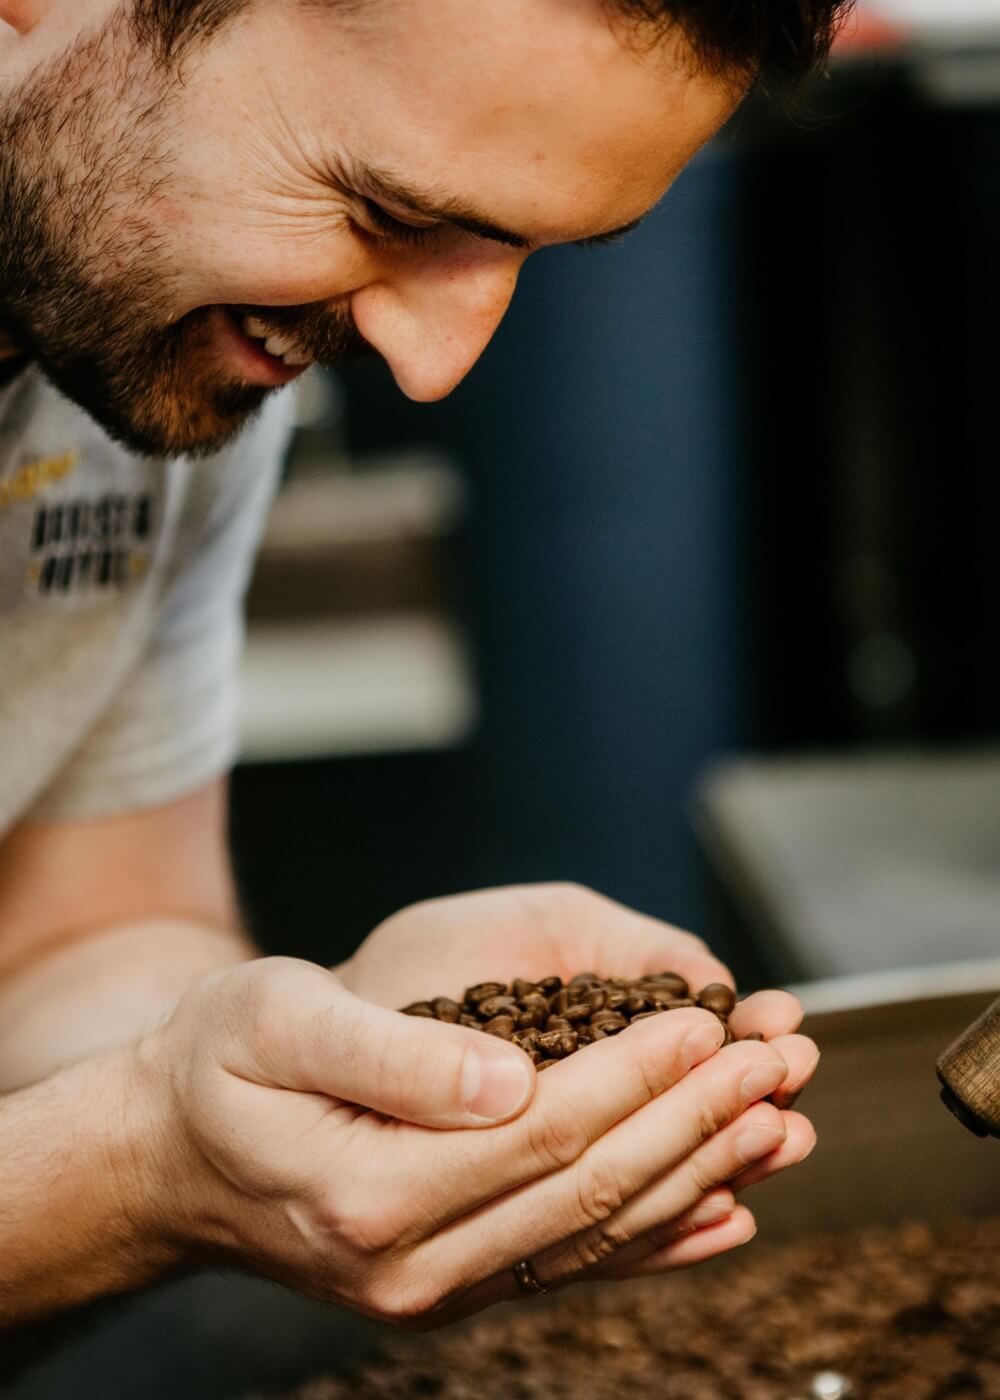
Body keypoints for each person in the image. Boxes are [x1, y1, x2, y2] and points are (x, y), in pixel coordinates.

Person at [0, 0, 844, 1336]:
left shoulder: (149, 321)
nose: (435, 361)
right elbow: (119, 1144)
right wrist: (130, 1167)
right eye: (388, 214)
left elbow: (67, 933)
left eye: (518, 252)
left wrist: (327, 1054)